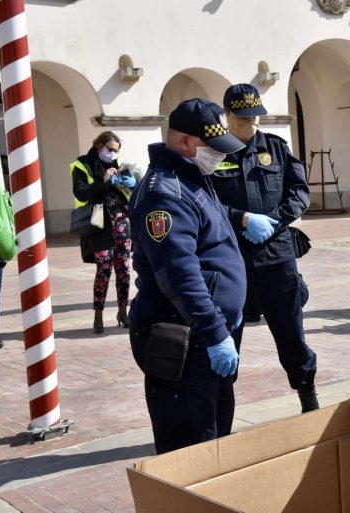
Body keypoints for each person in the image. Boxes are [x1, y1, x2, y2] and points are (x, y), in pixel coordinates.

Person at [128, 98, 247, 454]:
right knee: (190, 448)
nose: (220, 156)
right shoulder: (164, 193)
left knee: (214, 433)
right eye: (213, 148)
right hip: (183, 336)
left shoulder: (191, 176)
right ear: (185, 143)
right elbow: (178, 272)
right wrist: (213, 332)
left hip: (205, 333)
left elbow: (205, 225)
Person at [211, 84, 319, 413]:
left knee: (291, 333)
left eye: (257, 117)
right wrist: (241, 219)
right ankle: (221, 410)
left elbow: (299, 191)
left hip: (276, 254)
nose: (252, 124)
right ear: (228, 116)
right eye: (244, 119)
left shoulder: (276, 147)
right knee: (229, 336)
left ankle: (307, 395)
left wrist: (273, 221)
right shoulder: (213, 153)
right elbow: (204, 203)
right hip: (231, 259)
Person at [70, 131, 137, 334]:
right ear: (99, 145)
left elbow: (133, 190)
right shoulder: (82, 164)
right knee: (104, 268)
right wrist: (103, 180)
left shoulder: (120, 164)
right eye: (109, 150)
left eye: (116, 151)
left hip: (121, 222)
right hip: (99, 223)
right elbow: (80, 192)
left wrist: (131, 184)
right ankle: (98, 315)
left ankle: (122, 311)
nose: (113, 154)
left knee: (124, 268)